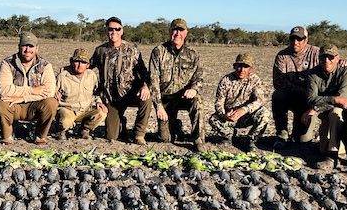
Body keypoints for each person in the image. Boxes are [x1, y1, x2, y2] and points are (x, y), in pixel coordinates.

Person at [89, 16, 152, 145]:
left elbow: (144, 72)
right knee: (111, 136)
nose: (114, 32)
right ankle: (120, 123)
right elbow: (86, 67)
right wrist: (67, 69)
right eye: (111, 29)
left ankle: (139, 134)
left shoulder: (132, 50)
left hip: (130, 93)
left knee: (147, 98)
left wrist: (145, 86)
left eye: (117, 29)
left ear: (122, 31)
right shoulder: (100, 51)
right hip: (111, 97)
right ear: (107, 31)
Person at [148, 18, 207, 151]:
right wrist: (159, 106)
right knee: (165, 139)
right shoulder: (159, 51)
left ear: (186, 33)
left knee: (198, 101)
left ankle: (198, 140)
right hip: (166, 99)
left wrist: (194, 89)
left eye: (181, 30)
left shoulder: (193, 54)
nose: (177, 33)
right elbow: (153, 81)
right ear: (170, 31)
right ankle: (175, 126)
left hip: (184, 97)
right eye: (175, 29)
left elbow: (199, 76)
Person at [301, 43, 347, 167]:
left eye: (330, 57)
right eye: (323, 57)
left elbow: (343, 100)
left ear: (337, 57)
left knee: (336, 113)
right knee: (322, 149)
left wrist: (316, 108)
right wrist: (331, 100)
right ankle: (339, 147)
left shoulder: (346, 71)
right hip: (327, 107)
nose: (326, 61)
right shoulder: (313, 74)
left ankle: (333, 157)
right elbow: (311, 99)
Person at [0, 32, 57, 145]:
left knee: (51, 103)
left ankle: (40, 135)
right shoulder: (7, 63)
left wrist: (23, 97)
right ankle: (8, 135)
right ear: (19, 47)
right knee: (0, 103)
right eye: (24, 45)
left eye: (31, 46)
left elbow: (50, 92)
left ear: (37, 48)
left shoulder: (45, 65)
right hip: (13, 105)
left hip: (34, 106)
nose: (27, 50)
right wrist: (32, 90)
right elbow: (4, 90)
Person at [271, 25, 322, 146]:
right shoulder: (282, 56)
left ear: (306, 40)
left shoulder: (317, 53)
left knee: (302, 140)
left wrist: (342, 62)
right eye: (292, 39)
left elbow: (332, 61)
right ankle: (282, 133)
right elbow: (279, 82)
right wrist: (302, 91)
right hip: (291, 96)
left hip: (309, 102)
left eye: (299, 39)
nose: (296, 42)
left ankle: (300, 132)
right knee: (278, 95)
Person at [209, 53, 269, 151]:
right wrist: (224, 115)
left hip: (247, 116)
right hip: (230, 117)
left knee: (265, 113)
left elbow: (259, 100)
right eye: (239, 66)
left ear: (251, 69)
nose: (242, 70)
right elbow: (219, 102)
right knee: (213, 119)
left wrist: (244, 109)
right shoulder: (226, 80)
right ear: (234, 66)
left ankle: (251, 140)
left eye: (246, 66)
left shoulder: (255, 80)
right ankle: (228, 137)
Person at [54, 48, 106, 139]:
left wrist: (99, 101)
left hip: (85, 109)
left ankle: (85, 130)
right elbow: (53, 91)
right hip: (68, 109)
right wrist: (54, 93)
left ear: (88, 65)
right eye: (77, 61)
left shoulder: (91, 75)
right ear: (71, 61)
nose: (79, 65)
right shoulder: (63, 76)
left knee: (102, 113)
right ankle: (60, 131)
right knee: (65, 121)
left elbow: (96, 92)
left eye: (83, 62)